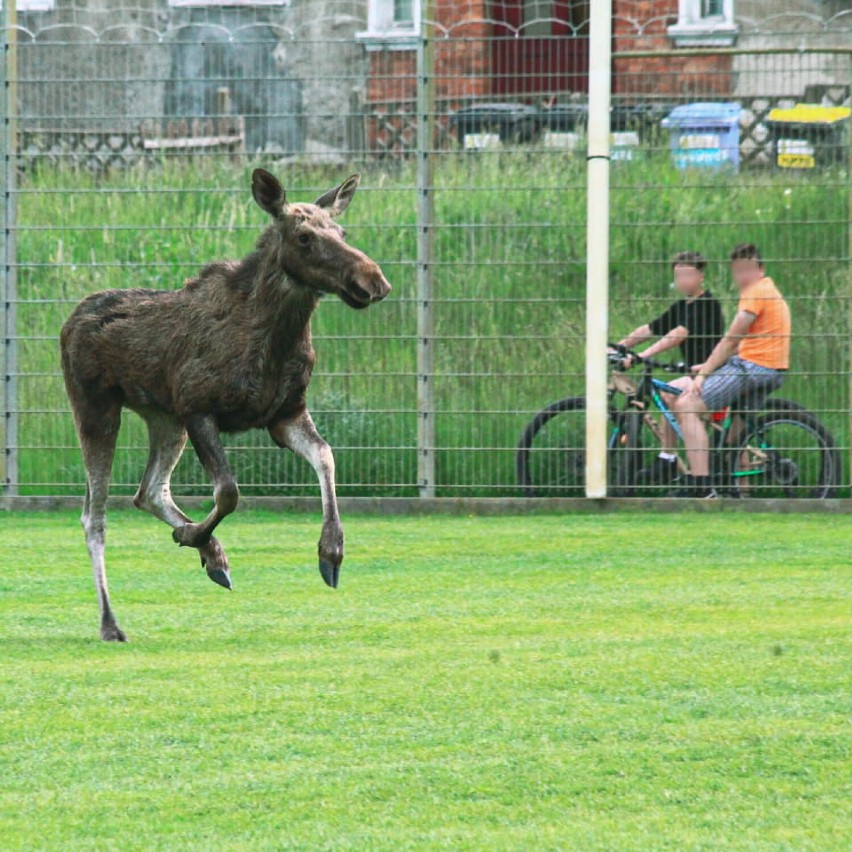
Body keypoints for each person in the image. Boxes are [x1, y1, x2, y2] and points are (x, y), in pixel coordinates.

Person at [669, 243, 791, 498]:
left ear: (761, 269)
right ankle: (735, 489)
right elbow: (750, 342)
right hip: (769, 367)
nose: (743, 276)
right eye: (738, 270)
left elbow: (731, 339)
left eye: (748, 269)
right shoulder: (769, 291)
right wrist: (708, 365)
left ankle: (701, 487)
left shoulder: (755, 293)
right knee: (734, 433)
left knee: (687, 405)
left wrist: (703, 375)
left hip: (751, 368)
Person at [615, 250, 725, 485]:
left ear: (700, 276)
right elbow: (651, 329)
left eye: (688, 274)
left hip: (712, 375)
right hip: (694, 375)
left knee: (668, 391)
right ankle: (669, 458)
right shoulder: (681, 306)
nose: (683, 280)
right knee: (667, 392)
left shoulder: (707, 304)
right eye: (678, 275)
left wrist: (640, 357)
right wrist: (619, 346)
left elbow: (678, 334)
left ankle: (670, 460)